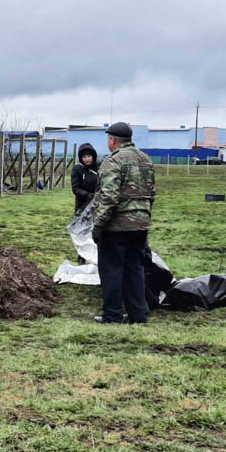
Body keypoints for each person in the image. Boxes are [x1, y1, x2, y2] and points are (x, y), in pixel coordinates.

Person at [92, 122, 155, 324]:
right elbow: (151, 193)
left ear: (112, 140)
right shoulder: (145, 159)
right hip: (140, 223)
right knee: (135, 269)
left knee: (112, 270)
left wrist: (98, 226)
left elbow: (109, 197)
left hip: (116, 225)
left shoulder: (113, 161)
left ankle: (112, 314)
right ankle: (138, 314)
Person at [71, 143, 99, 214]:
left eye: (89, 156)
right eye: (84, 157)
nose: (87, 159)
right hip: (82, 202)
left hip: (98, 201)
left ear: (93, 156)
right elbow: (75, 188)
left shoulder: (99, 167)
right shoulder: (77, 169)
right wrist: (87, 195)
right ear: (81, 158)